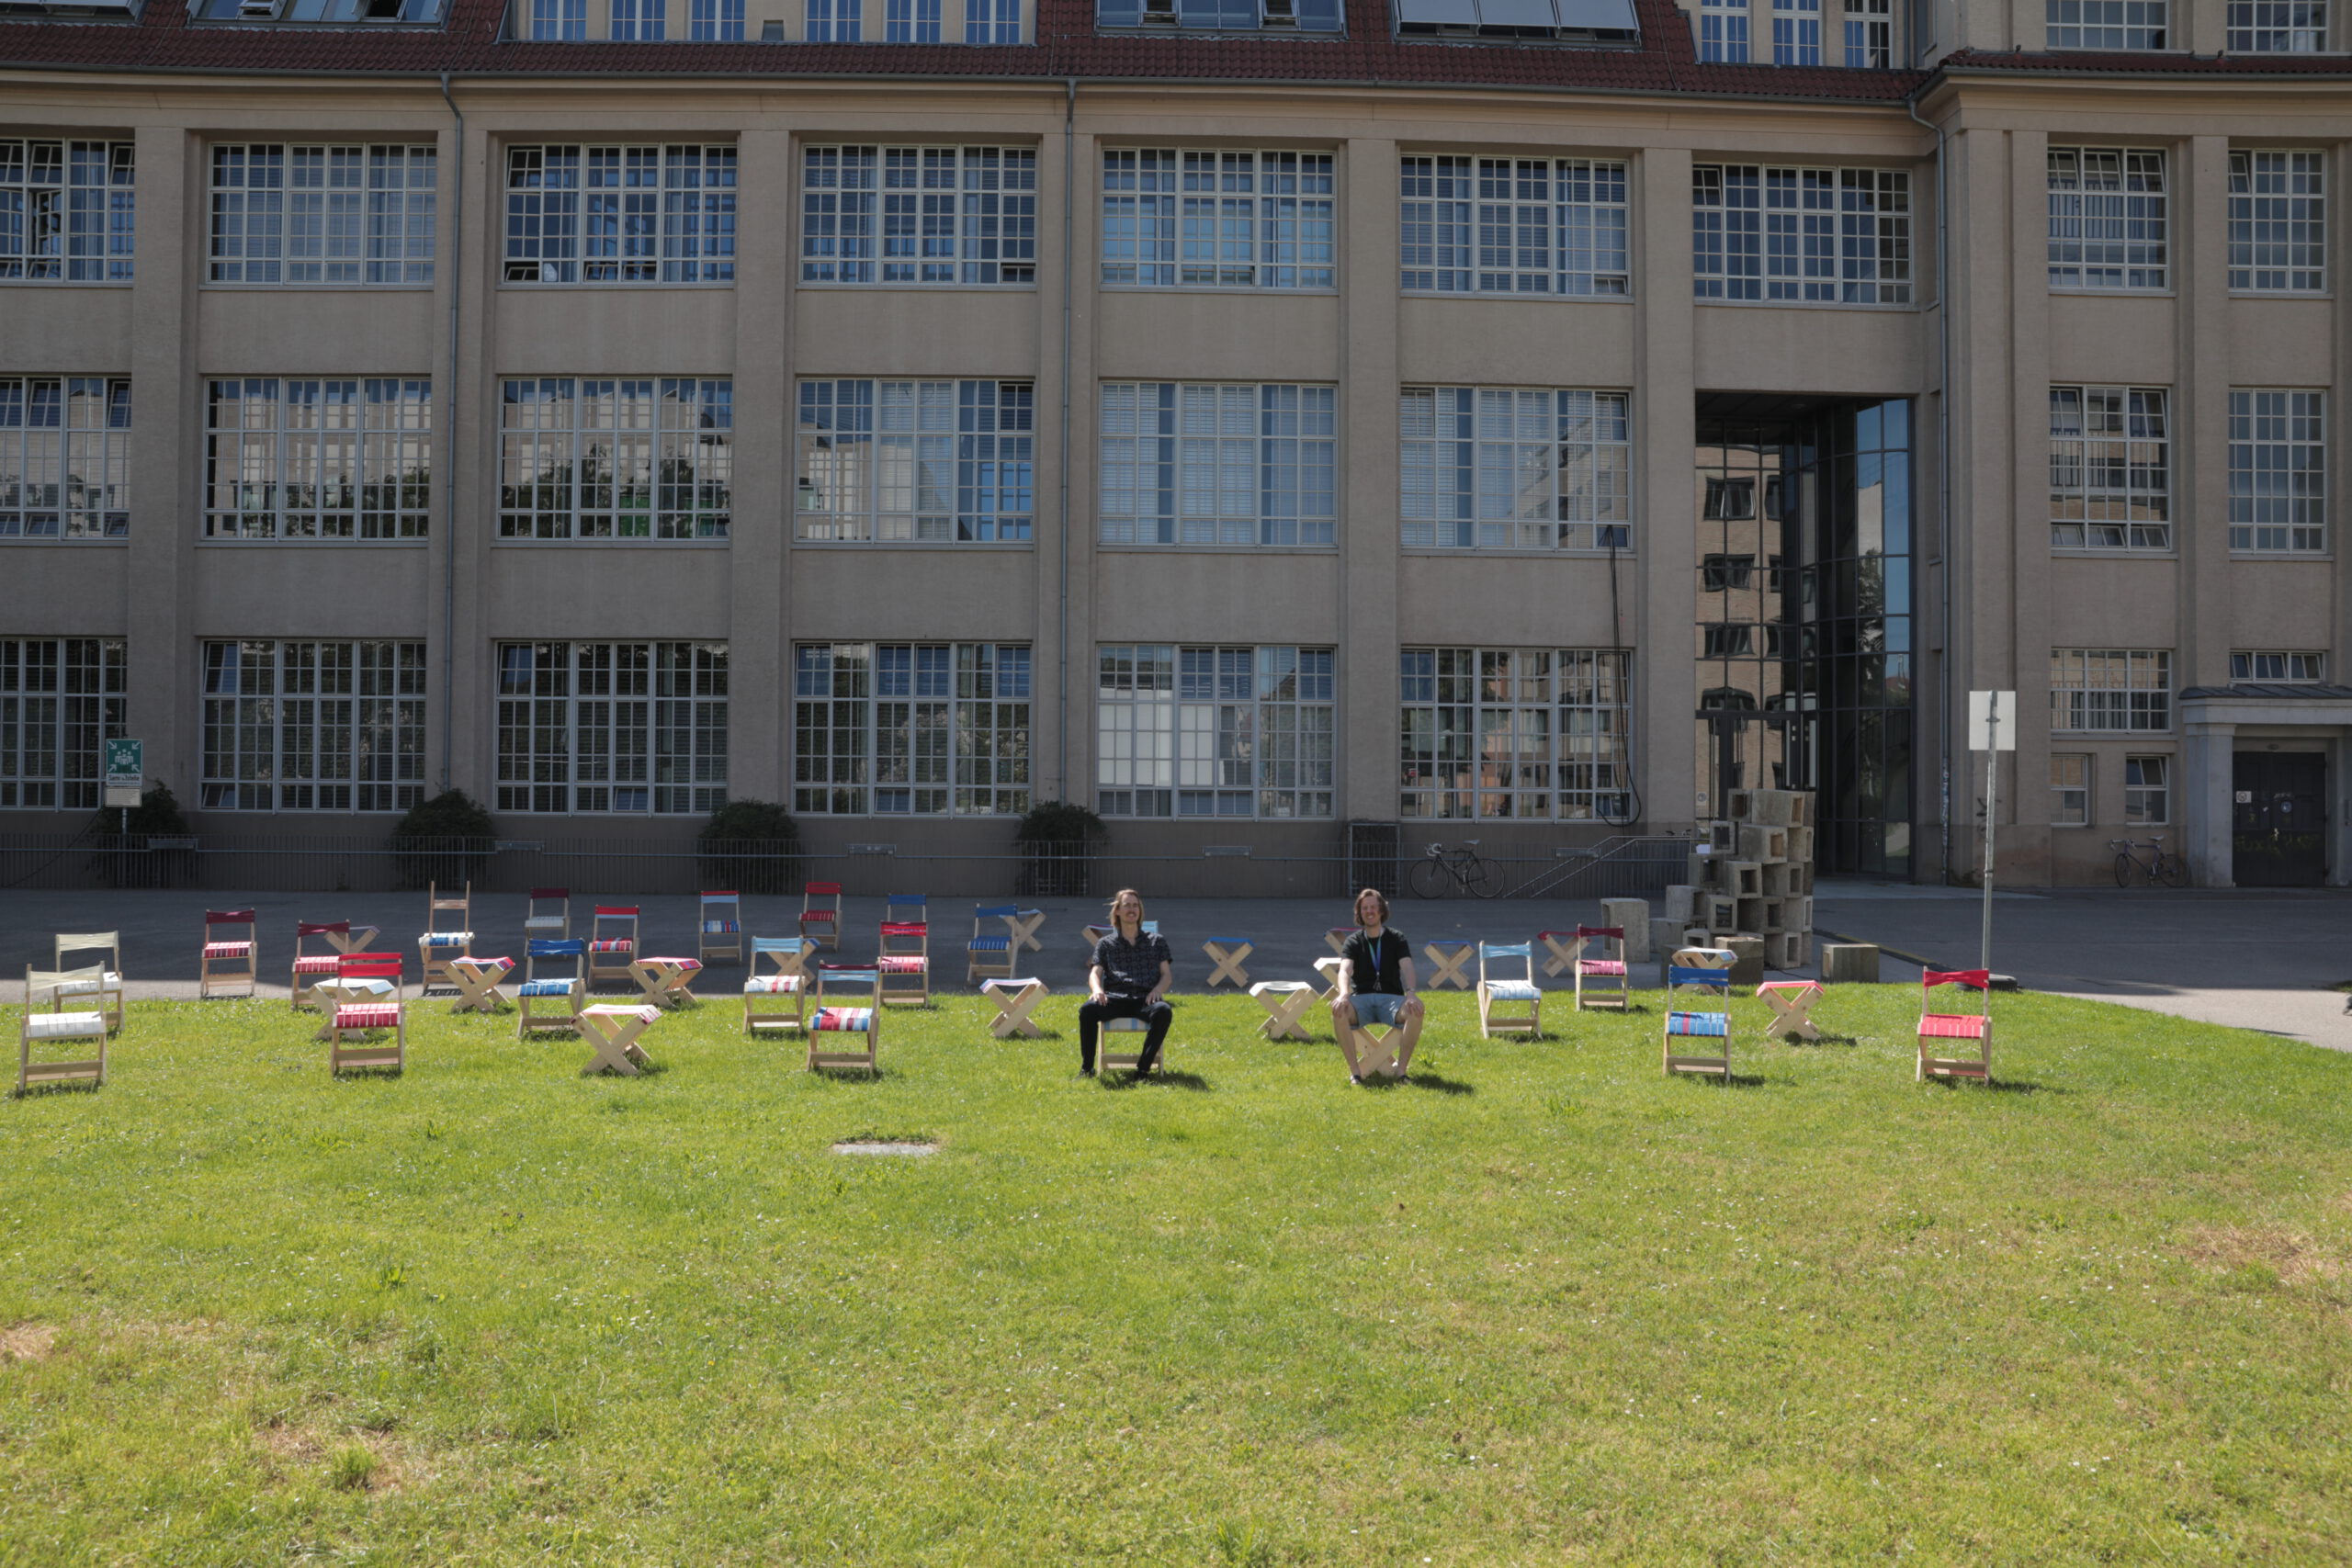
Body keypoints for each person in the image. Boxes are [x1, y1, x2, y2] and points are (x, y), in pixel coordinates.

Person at [1331, 886, 1423, 1083]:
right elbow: (1345, 970)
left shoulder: (1396, 938)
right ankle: (1355, 1072)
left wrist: (1412, 994)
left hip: (1392, 1000)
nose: (1369, 912)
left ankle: (1401, 1071)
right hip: (1361, 1000)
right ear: (1359, 912)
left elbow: (1407, 966)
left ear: (1381, 910)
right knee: (1338, 1010)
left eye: (1373, 907)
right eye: (1365, 908)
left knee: (1416, 1011)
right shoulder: (1353, 941)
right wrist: (1344, 994)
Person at [1079, 888, 1172, 1077]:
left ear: (1140, 911)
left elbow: (1166, 975)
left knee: (1163, 1011)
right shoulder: (1106, 943)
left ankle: (1143, 1069)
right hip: (1115, 999)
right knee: (1087, 1010)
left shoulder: (1156, 941)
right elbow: (1095, 973)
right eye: (1127, 905)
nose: (1132, 909)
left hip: (1145, 999)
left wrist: (1158, 989)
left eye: (1135, 905)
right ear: (1118, 911)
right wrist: (1097, 989)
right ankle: (1087, 1068)